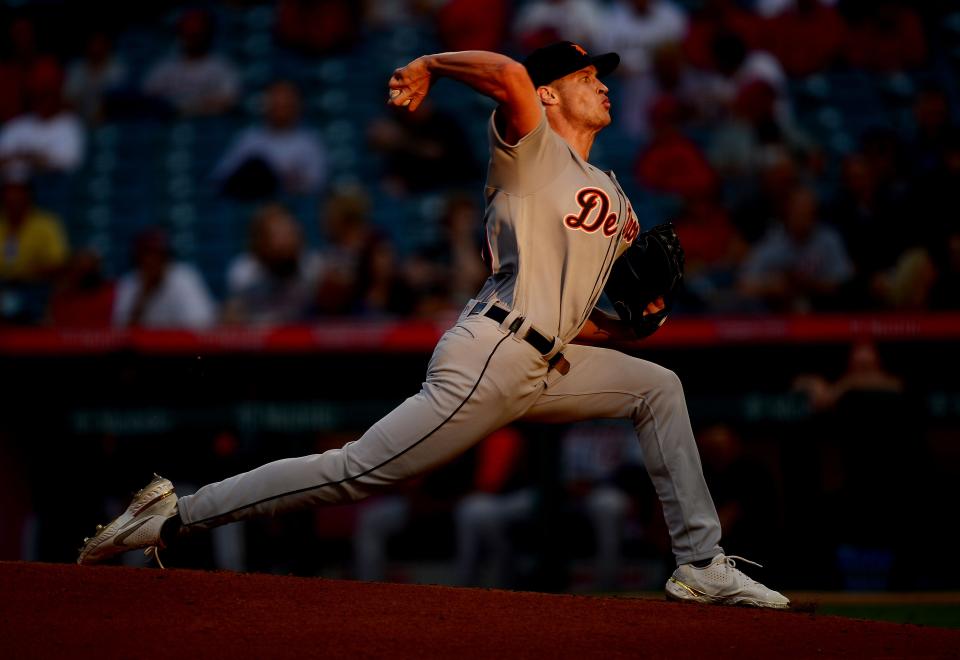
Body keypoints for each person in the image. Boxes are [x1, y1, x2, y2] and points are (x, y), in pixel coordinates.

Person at [77, 41, 788, 609]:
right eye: (583, 75)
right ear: (548, 95)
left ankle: (699, 563)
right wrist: (430, 64)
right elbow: (507, 72)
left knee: (657, 387)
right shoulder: (533, 151)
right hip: (495, 349)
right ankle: (174, 514)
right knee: (354, 472)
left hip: (547, 358)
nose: (602, 83)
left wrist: (641, 324)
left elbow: (585, 320)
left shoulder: (618, 200)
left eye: (600, 75)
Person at [214, 81, 327, 199]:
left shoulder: (310, 141)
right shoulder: (249, 137)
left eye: (286, 103)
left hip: (294, 206)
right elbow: (222, 179)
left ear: (297, 106)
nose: (280, 108)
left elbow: (317, 184)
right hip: (255, 207)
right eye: (276, 103)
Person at [112, 228, 216, 329]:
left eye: (158, 256)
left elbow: (202, 323)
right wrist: (143, 296)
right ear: (137, 259)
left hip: (179, 344)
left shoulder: (183, 277)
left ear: (166, 258)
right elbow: (121, 332)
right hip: (142, 346)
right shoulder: (129, 283)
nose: (152, 261)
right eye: (146, 255)